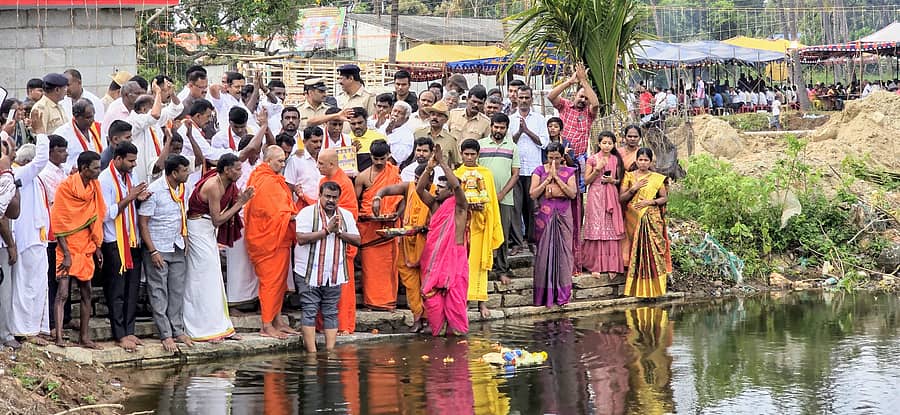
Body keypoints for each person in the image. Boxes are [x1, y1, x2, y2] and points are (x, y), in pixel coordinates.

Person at [184, 153, 254, 342]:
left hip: (207, 231)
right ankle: (202, 328)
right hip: (198, 229)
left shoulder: (228, 183)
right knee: (202, 277)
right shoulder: (214, 186)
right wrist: (241, 203)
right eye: (237, 169)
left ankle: (220, 326)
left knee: (214, 278)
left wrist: (240, 199)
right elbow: (217, 220)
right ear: (226, 170)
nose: (240, 173)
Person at [138, 154, 195, 352]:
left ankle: (178, 330)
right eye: (185, 170)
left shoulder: (182, 189)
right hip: (158, 247)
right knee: (158, 290)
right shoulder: (154, 191)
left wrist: (185, 239)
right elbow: (143, 223)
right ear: (174, 173)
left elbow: (182, 215)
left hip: (177, 244)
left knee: (177, 290)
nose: (188, 173)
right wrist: (152, 251)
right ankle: (165, 334)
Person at [295, 181, 360, 352]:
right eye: (327, 197)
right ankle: (312, 354)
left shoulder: (345, 215)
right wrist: (326, 231)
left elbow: (357, 240)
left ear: (339, 198)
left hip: (333, 272)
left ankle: (330, 353)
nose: (331, 200)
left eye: (334, 197)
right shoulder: (307, 213)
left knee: (331, 311)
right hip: (308, 271)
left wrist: (339, 232)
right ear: (320, 195)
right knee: (309, 309)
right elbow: (301, 238)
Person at [51, 150, 105, 348]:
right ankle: (58, 337)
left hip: (85, 247)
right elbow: (59, 223)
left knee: (87, 292)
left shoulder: (94, 187)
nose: (99, 171)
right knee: (63, 293)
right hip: (67, 247)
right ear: (84, 168)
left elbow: (96, 218)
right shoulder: (65, 188)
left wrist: (98, 247)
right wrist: (66, 254)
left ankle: (84, 337)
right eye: (96, 168)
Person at [98, 142, 150, 352]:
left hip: (132, 238)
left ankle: (129, 330)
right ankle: (119, 334)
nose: (134, 164)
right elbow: (105, 213)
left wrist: (139, 198)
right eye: (130, 160)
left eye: (135, 160)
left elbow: (132, 203)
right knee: (117, 290)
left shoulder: (130, 177)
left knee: (132, 289)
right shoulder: (104, 179)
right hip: (114, 241)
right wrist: (129, 197)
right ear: (117, 159)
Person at [244, 146, 300, 339]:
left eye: (284, 160)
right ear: (268, 161)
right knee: (270, 283)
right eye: (279, 161)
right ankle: (267, 325)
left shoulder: (271, 178)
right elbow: (273, 212)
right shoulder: (265, 180)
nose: (283, 164)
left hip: (279, 237)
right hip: (267, 239)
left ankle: (278, 321)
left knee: (279, 282)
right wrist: (294, 217)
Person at [371, 163, 432, 332]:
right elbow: (387, 190)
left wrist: (423, 229)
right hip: (407, 242)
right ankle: (417, 318)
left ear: (430, 179)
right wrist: (377, 197)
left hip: (427, 244)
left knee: (427, 285)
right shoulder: (408, 187)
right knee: (411, 285)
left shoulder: (435, 192)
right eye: (417, 179)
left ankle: (429, 319)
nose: (418, 183)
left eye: (423, 180)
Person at [416, 144, 469, 336]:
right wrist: (430, 167)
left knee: (455, 308)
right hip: (433, 261)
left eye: (440, 187)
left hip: (454, 261)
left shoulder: (460, 206)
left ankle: (457, 339)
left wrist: (444, 164)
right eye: (436, 187)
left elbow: (456, 185)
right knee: (431, 300)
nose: (436, 190)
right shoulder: (434, 205)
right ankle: (438, 336)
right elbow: (419, 189)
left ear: (450, 191)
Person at [8, 112, 50, 345]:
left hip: (38, 238)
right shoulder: (18, 174)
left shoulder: (29, 176)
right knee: (25, 286)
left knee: (38, 284)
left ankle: (36, 328)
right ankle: (23, 330)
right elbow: (41, 160)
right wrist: (41, 133)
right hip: (25, 240)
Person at [454, 139, 503, 318]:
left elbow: (491, 201)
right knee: (464, 265)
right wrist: (467, 207)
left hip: (481, 225)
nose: (469, 157)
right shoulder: (456, 173)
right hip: (464, 227)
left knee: (481, 265)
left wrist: (482, 208)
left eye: (472, 154)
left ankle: (482, 303)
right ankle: (464, 302)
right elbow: (454, 202)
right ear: (461, 154)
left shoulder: (486, 174)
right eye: (466, 154)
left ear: (478, 154)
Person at [529, 142, 577, 307]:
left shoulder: (570, 171)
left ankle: (562, 296)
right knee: (544, 254)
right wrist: (547, 180)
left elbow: (572, 193)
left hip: (563, 216)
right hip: (545, 216)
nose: (554, 162)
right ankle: (544, 297)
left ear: (562, 157)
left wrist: (557, 179)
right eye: (551, 158)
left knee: (564, 255)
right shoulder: (539, 170)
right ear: (546, 157)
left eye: (557, 158)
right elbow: (533, 193)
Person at [355, 140, 401, 311]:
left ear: (388, 155)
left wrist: (397, 213)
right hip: (370, 229)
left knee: (389, 265)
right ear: (371, 157)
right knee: (371, 267)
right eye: (376, 159)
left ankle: (388, 302)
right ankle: (373, 302)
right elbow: (356, 203)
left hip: (389, 226)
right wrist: (366, 216)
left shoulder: (395, 172)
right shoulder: (362, 176)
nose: (380, 162)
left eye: (383, 158)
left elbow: (402, 195)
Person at [619, 148, 671, 298]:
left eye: (646, 160)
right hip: (633, 218)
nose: (642, 163)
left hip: (651, 217)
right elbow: (621, 198)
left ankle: (656, 288)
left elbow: (664, 198)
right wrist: (633, 189)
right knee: (636, 251)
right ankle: (635, 289)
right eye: (640, 160)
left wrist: (651, 201)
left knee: (652, 251)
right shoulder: (629, 176)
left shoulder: (657, 178)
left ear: (650, 162)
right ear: (636, 161)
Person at [316, 147, 358, 334]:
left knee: (343, 285)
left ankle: (344, 325)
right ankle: (324, 324)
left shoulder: (344, 183)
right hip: (325, 240)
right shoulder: (323, 181)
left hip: (341, 240)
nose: (317, 166)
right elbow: (318, 207)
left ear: (332, 164)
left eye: (320, 163)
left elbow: (349, 213)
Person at [477, 113, 519, 284]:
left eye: (502, 127)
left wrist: (501, 194)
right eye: (496, 126)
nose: (498, 130)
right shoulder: (480, 145)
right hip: (482, 199)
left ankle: (501, 270)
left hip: (504, 199)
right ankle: (482, 270)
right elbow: (476, 171)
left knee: (502, 235)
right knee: (481, 233)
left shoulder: (513, 147)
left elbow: (515, 175)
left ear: (506, 129)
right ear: (491, 126)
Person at [509, 85, 549, 255]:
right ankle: (518, 242)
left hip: (534, 170)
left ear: (531, 99)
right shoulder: (510, 120)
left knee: (533, 208)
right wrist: (519, 132)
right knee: (516, 208)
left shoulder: (540, 119)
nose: (524, 101)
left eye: (527, 97)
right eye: (521, 97)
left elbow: (544, 143)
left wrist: (528, 131)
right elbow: (508, 144)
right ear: (516, 98)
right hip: (516, 170)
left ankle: (532, 241)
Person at [582, 131, 625, 276]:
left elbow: (620, 180)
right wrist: (597, 169)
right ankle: (595, 266)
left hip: (611, 195)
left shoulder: (616, 159)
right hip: (595, 195)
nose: (607, 146)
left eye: (610, 143)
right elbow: (586, 181)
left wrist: (612, 181)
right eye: (604, 143)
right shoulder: (592, 159)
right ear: (599, 143)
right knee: (596, 228)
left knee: (610, 228)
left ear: (614, 145)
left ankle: (611, 265)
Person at [40, 135, 69, 334]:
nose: (65, 154)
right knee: (52, 278)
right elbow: (60, 197)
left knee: (64, 278)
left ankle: (64, 319)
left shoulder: (62, 171)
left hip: (66, 229)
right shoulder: (46, 173)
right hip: (52, 231)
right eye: (61, 150)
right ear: (50, 152)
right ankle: (51, 322)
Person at [284, 126, 324, 209]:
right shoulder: (295, 160)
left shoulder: (325, 157)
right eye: (314, 141)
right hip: (302, 208)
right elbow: (289, 188)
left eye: (320, 141)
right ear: (304, 141)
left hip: (323, 207)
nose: (319, 145)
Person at [414, 100, 460, 168]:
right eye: (432, 114)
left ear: (445, 120)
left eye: (439, 115)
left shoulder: (450, 140)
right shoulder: (418, 134)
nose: (434, 117)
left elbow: (457, 163)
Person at [348, 107, 387, 173]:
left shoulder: (379, 137)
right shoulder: (345, 140)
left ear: (366, 121)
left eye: (360, 123)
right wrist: (351, 153)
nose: (357, 126)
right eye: (353, 124)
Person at [380, 101, 414, 165]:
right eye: (394, 111)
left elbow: (398, 157)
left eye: (400, 113)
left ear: (406, 119)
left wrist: (389, 133)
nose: (395, 114)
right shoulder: (382, 125)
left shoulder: (408, 135)